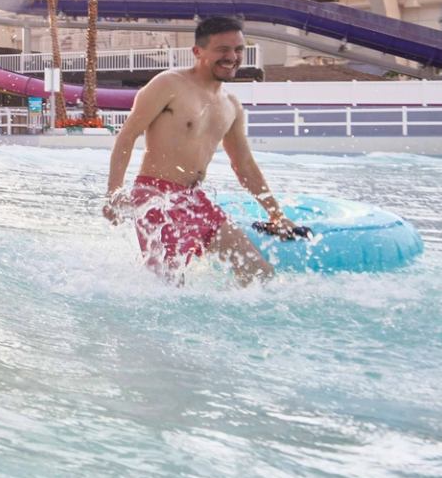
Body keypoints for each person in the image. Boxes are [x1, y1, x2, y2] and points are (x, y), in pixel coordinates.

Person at [103, 15, 302, 284]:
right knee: (169, 285)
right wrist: (114, 193)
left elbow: (244, 166)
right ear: (198, 51)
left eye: (238, 50)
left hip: (195, 200)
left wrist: (276, 215)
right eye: (223, 50)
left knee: (259, 274)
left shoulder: (231, 105)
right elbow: (126, 137)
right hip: (155, 197)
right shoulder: (169, 84)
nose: (232, 57)